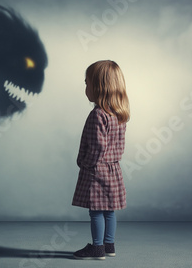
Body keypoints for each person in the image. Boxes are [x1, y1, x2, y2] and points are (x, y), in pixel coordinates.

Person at [72, 60, 130, 260]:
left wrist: (86, 163)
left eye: (87, 83)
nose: (85, 87)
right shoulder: (118, 115)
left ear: (98, 87)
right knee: (109, 211)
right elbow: (117, 145)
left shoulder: (98, 114)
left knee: (96, 211)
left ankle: (97, 248)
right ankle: (109, 245)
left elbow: (97, 146)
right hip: (114, 169)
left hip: (97, 170)